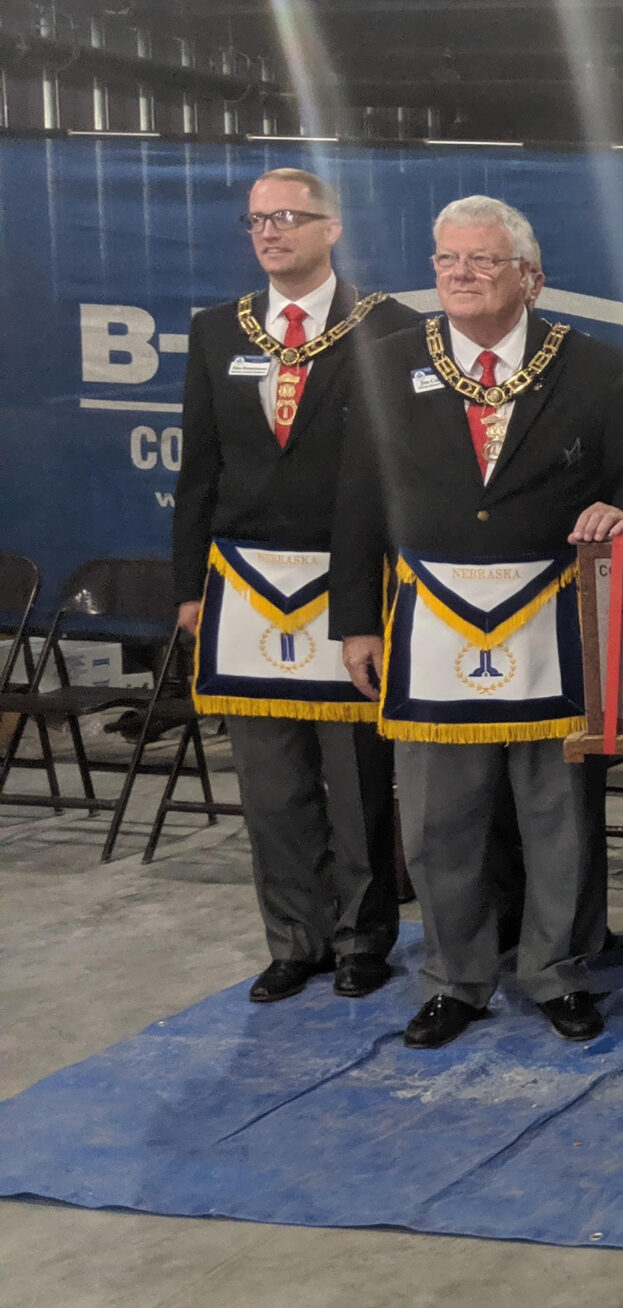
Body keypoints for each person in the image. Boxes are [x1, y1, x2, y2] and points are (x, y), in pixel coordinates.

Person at [333, 195, 623, 1050]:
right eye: (447, 260)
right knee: (438, 821)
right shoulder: (389, 364)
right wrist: (357, 621)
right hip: (429, 618)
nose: (460, 275)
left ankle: (558, 971)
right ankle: (454, 978)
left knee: (558, 815)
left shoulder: (593, 366)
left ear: (530, 278)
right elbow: (357, 499)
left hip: (552, 614)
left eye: (481, 260)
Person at [173, 167, 415, 1003]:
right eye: (257, 220)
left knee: (357, 782)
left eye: (287, 216)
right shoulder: (217, 331)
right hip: (243, 583)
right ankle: (294, 940)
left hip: (349, 581)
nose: (270, 232)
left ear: (331, 227)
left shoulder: (387, 327)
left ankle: (362, 938)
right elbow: (199, 467)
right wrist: (190, 587)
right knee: (271, 786)